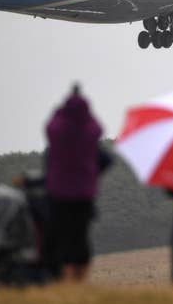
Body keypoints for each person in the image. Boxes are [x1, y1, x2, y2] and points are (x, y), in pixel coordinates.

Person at [45, 84, 109, 282]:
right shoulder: (89, 135)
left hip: (59, 193)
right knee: (80, 236)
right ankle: (81, 281)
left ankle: (64, 281)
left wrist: (59, 110)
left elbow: (50, 126)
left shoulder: (57, 135)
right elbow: (105, 155)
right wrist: (92, 174)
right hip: (83, 193)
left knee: (62, 237)